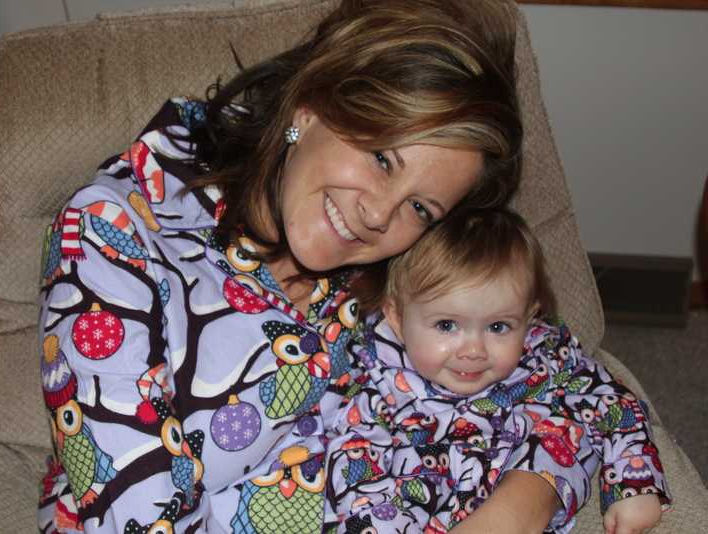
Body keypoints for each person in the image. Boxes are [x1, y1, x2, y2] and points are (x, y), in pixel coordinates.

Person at [36, 0, 581, 532]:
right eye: (382, 158)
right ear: (309, 111)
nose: (378, 214)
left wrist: (523, 503)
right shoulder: (109, 231)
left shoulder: (396, 265)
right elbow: (136, 515)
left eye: (420, 207)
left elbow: (560, 374)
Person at [326, 207, 671, 534]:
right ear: (397, 318)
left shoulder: (544, 357)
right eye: (446, 325)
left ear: (528, 317)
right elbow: (355, 477)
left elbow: (613, 402)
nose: (473, 351)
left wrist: (635, 484)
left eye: (498, 327)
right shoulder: (375, 383)